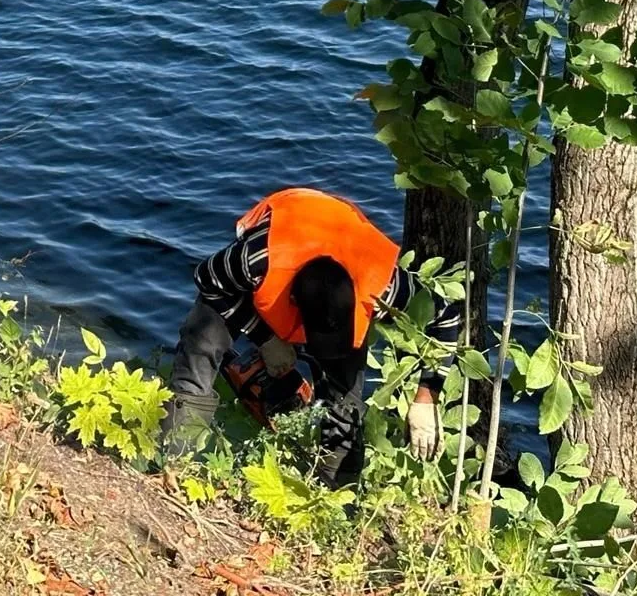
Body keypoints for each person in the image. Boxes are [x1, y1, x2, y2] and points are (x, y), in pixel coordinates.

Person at [162, 186, 462, 485]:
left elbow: (447, 315)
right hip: (286, 232)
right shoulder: (256, 259)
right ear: (292, 304)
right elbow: (207, 278)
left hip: (346, 247)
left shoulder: (385, 285)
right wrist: (265, 337)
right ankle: (175, 464)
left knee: (346, 404)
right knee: (202, 343)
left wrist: (427, 398)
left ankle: (336, 498)